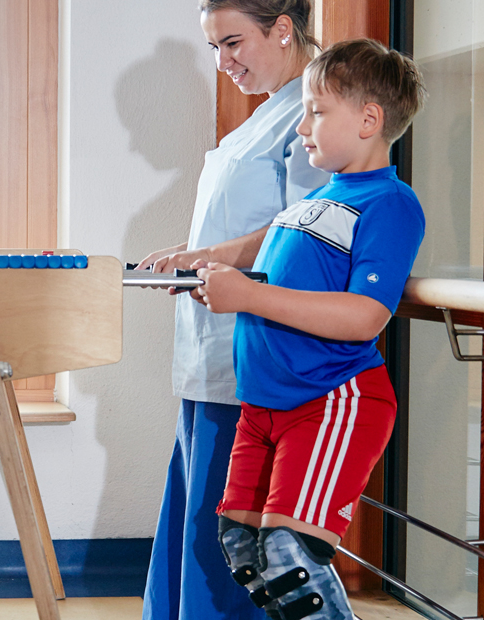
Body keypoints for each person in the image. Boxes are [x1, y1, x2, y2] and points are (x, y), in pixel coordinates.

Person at [192, 39, 427, 619]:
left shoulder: (390, 204)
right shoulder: (317, 200)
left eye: (317, 112)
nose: (302, 127)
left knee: (291, 557)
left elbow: (365, 315)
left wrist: (247, 293)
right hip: (263, 403)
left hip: (329, 400)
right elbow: (279, 273)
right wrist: (213, 271)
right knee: (244, 547)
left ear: (370, 120)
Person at [135, 1, 329, 618]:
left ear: (283, 29)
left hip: (255, 354)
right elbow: (243, 226)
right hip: (211, 353)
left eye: (233, 42)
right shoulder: (264, 118)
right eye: (215, 48)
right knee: (195, 516)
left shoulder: (314, 112)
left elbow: (303, 232)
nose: (224, 62)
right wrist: (191, 259)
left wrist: (209, 256)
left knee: (227, 532)